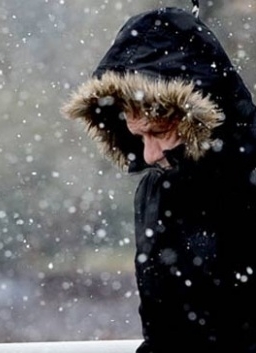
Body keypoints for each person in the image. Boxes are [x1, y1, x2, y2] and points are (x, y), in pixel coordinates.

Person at [61, 2, 256, 352]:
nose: (149, 155)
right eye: (139, 137)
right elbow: (165, 336)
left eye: (159, 131)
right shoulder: (158, 192)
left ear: (199, 116)